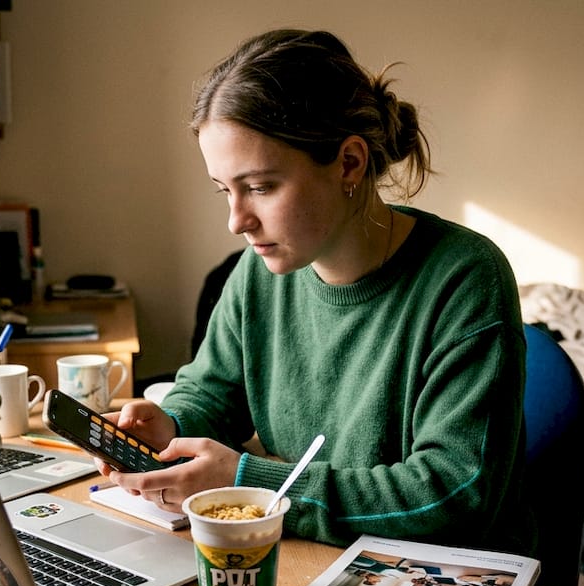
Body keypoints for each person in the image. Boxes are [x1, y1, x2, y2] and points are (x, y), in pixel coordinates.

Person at [101, 28, 532, 555]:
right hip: (311, 553)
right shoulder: (257, 273)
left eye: (260, 187)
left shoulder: (465, 278)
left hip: (435, 579)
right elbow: (211, 393)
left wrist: (261, 485)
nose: (237, 221)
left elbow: (452, 493)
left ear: (349, 163)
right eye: (225, 190)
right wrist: (169, 425)